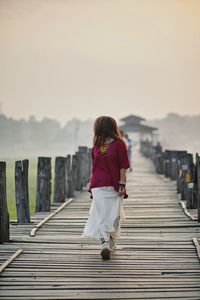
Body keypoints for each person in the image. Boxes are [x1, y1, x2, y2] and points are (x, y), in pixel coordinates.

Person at [81, 116, 130, 260]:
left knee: (112, 215)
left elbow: (123, 166)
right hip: (98, 186)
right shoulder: (96, 146)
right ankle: (105, 244)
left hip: (114, 187)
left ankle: (110, 240)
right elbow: (95, 166)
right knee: (100, 214)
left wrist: (122, 185)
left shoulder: (119, 144)